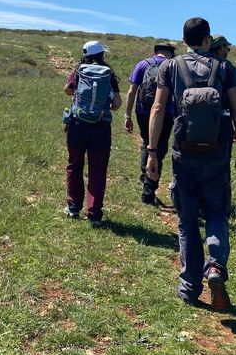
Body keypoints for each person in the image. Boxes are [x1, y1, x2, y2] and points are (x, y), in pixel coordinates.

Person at [146, 17, 236, 309]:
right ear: (208, 40)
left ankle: (190, 286)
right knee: (217, 213)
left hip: (184, 152)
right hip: (217, 154)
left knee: (187, 220)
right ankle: (216, 266)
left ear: (184, 41)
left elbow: (158, 108)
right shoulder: (227, 68)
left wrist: (152, 150)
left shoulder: (170, 67)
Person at [63, 40, 122, 227]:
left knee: (74, 165)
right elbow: (117, 103)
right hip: (101, 128)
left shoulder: (79, 70)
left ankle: (73, 208)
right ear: (102, 54)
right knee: (97, 170)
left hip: (77, 125)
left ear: (85, 54)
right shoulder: (109, 73)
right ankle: (94, 213)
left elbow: (67, 90)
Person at [124, 42, 176, 206]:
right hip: (165, 113)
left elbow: (132, 91)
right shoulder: (173, 66)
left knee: (147, 143)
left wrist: (127, 115)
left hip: (143, 111)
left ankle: (145, 176)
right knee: (158, 148)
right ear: (170, 53)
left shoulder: (143, 64)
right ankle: (149, 191)